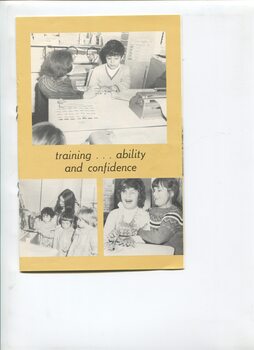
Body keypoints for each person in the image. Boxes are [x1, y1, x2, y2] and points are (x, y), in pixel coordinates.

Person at [138, 178, 183, 255]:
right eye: (154, 190)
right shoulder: (150, 211)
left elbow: (158, 238)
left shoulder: (175, 214)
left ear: (171, 193)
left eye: (159, 190)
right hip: (154, 253)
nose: (154, 194)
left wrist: (139, 231)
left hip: (171, 258)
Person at [104, 178, 150, 250]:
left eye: (132, 192)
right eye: (124, 191)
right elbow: (104, 238)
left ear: (139, 196)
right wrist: (110, 237)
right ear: (120, 194)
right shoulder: (114, 214)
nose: (128, 196)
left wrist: (134, 239)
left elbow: (148, 239)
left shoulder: (145, 215)